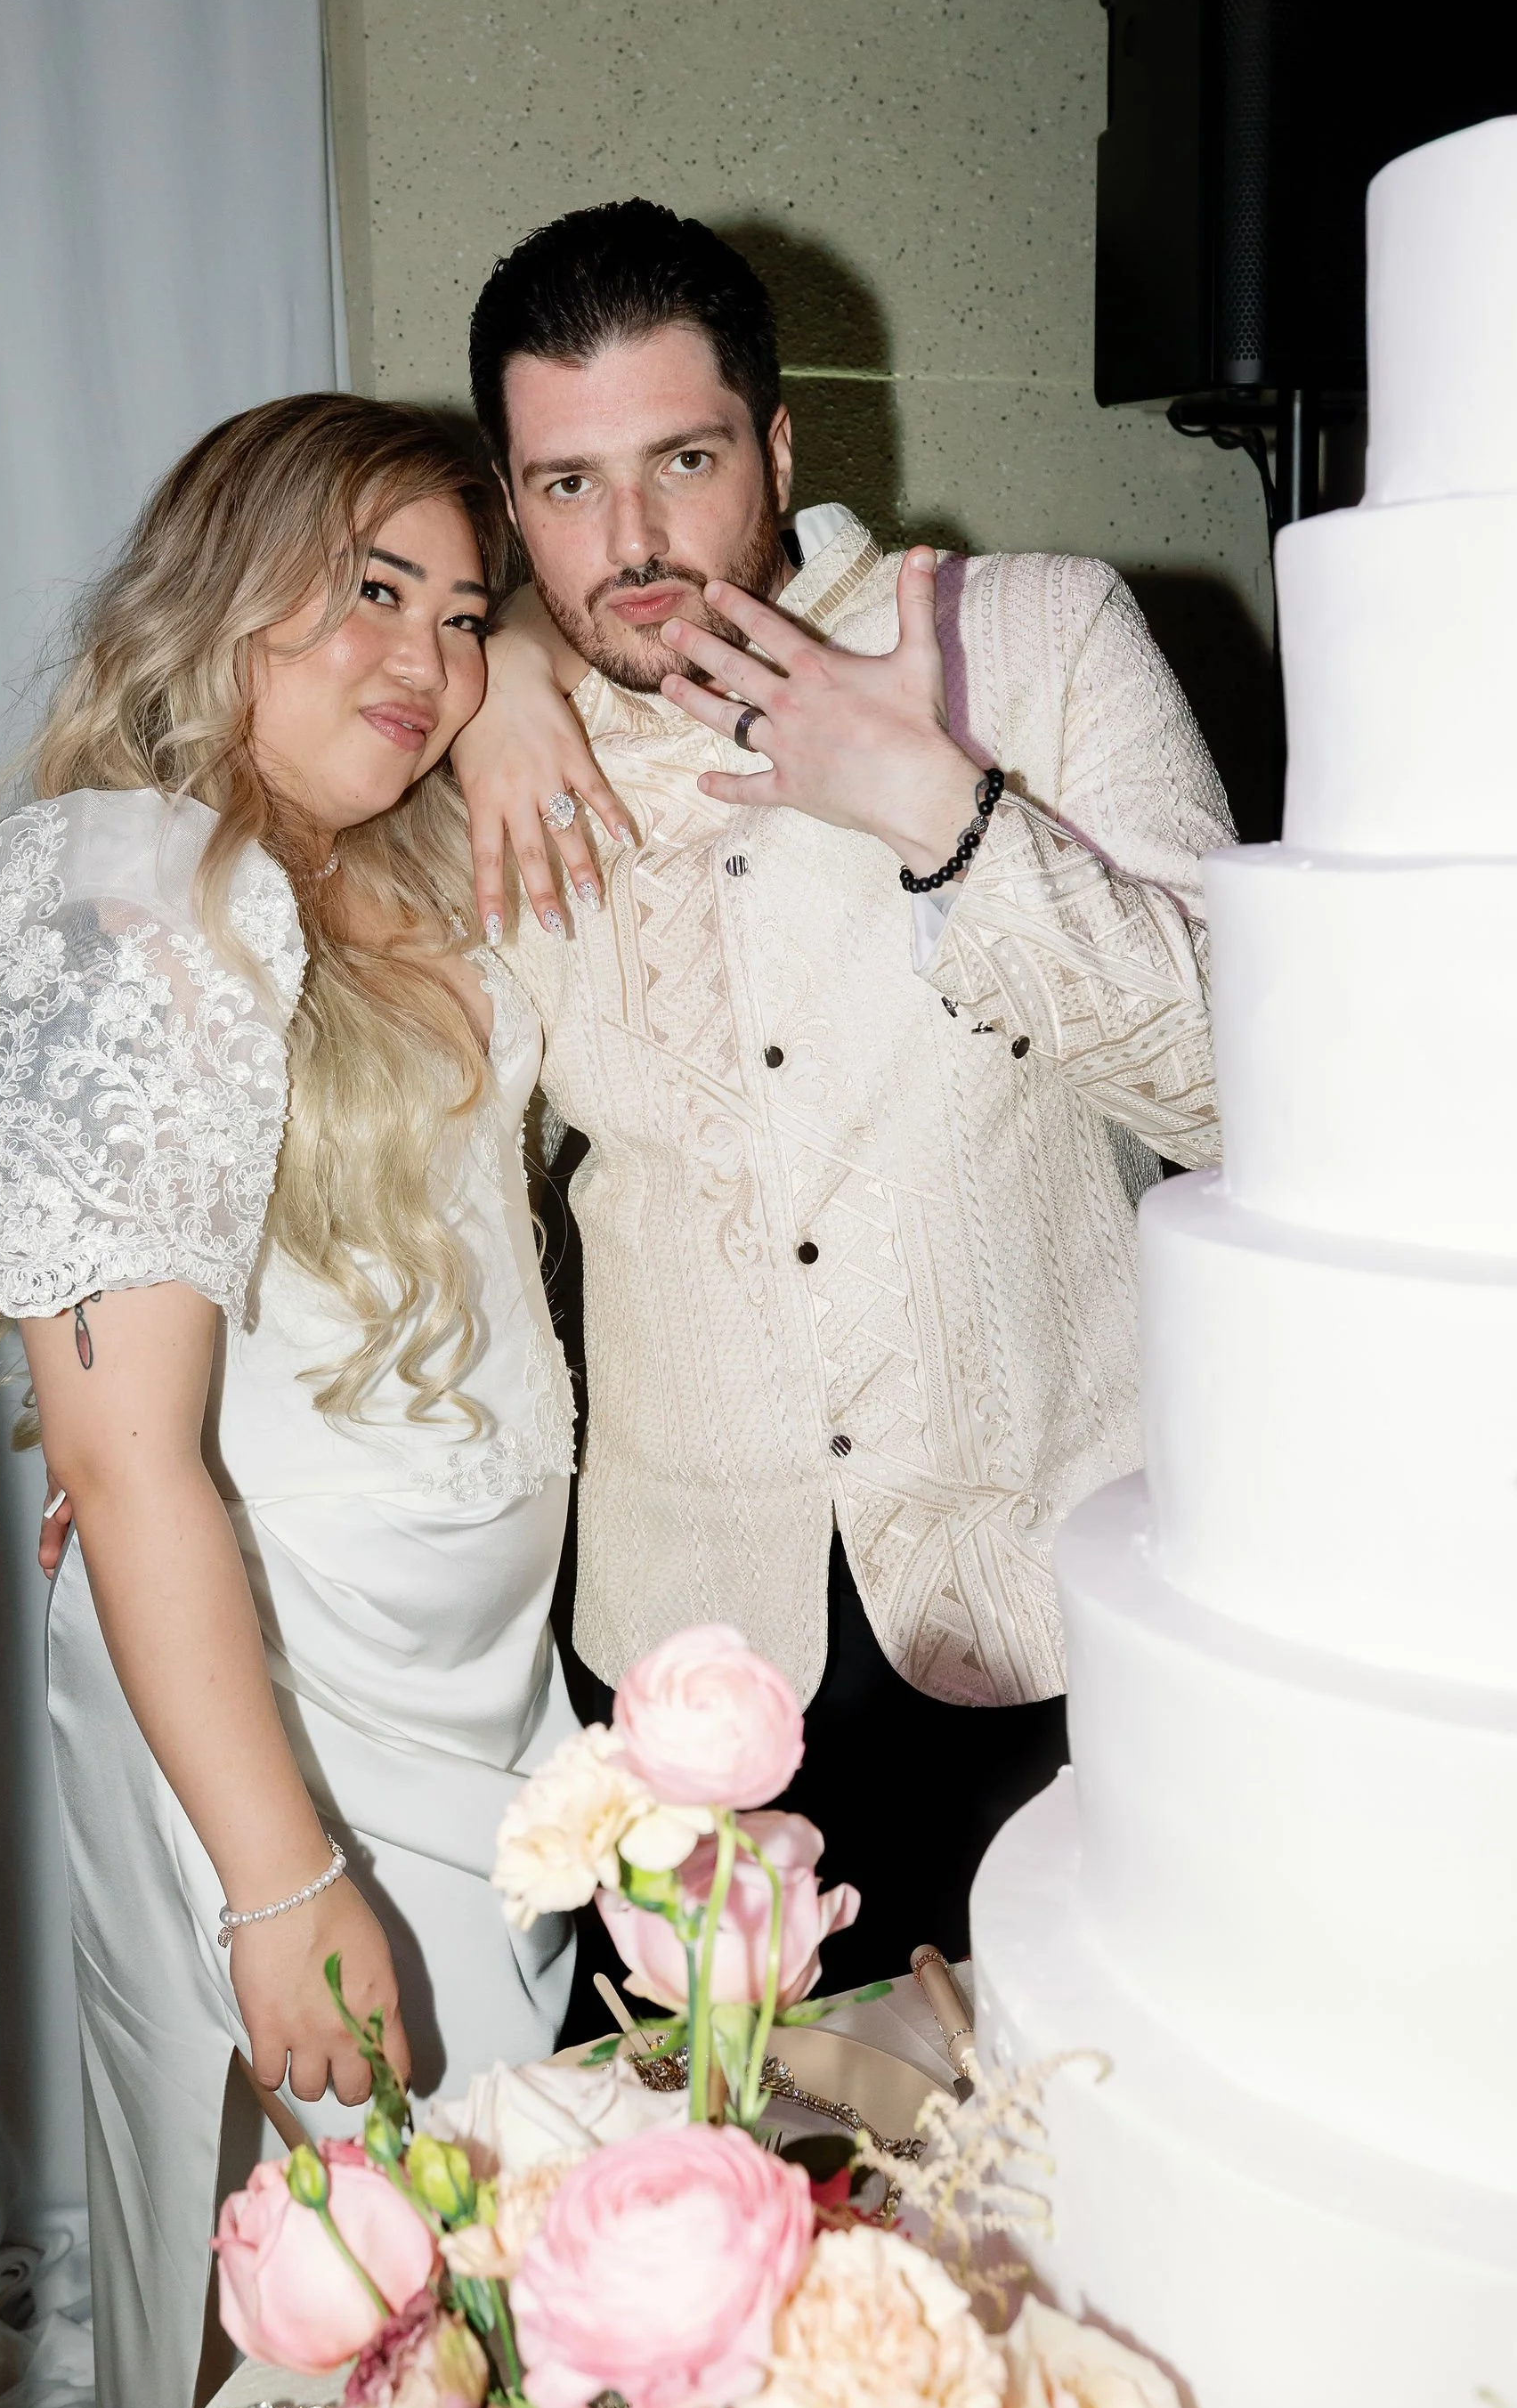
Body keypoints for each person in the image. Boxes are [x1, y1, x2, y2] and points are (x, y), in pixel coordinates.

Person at [0, 398, 578, 2408]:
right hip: (272, 1687)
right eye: (372, 589)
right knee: (291, 2332)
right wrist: (282, 1883)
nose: (430, 657)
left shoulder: (396, 846)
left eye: (465, 614)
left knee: (483, 2279)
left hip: (482, 1670)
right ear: (223, 582)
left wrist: (527, 664)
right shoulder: (119, 890)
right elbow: (127, 1449)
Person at [449, 202, 1233, 2000]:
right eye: (565, 490)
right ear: (508, 501)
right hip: (690, 1666)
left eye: (686, 461)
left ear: (781, 448)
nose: (632, 545)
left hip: (1053, 1625)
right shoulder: (499, 762)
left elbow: (1243, 1091)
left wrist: (945, 817)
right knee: (714, 2225)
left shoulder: (1041, 643)